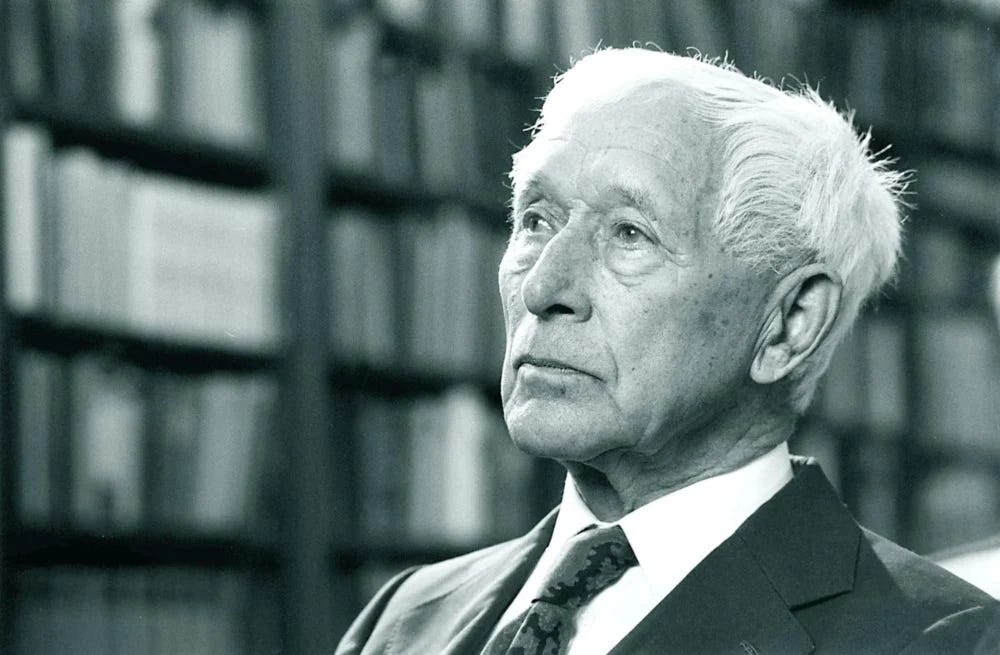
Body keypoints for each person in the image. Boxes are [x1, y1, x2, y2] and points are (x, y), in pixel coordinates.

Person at [336, 48, 1000, 654]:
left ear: (790, 323)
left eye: (630, 234)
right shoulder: (402, 621)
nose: (541, 288)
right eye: (535, 221)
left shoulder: (951, 642)